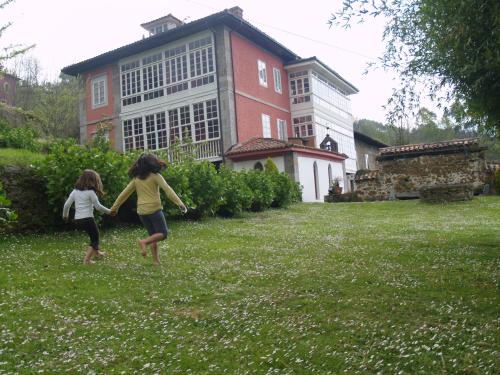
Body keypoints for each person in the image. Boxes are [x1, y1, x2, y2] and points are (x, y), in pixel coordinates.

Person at [110, 153, 187, 265]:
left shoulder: (136, 179)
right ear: (152, 163)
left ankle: (156, 261)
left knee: (153, 236)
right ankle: (143, 242)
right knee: (163, 233)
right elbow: (168, 190)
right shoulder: (156, 176)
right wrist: (180, 203)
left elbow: (124, 194)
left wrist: (114, 208)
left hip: (142, 212)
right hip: (154, 209)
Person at [62, 169, 111, 264]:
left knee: (92, 235)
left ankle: (97, 253)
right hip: (88, 219)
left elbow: (66, 205)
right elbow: (98, 206)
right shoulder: (90, 193)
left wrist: (65, 216)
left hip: (78, 219)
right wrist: (109, 211)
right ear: (93, 181)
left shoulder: (75, 191)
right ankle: (87, 260)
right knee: (95, 238)